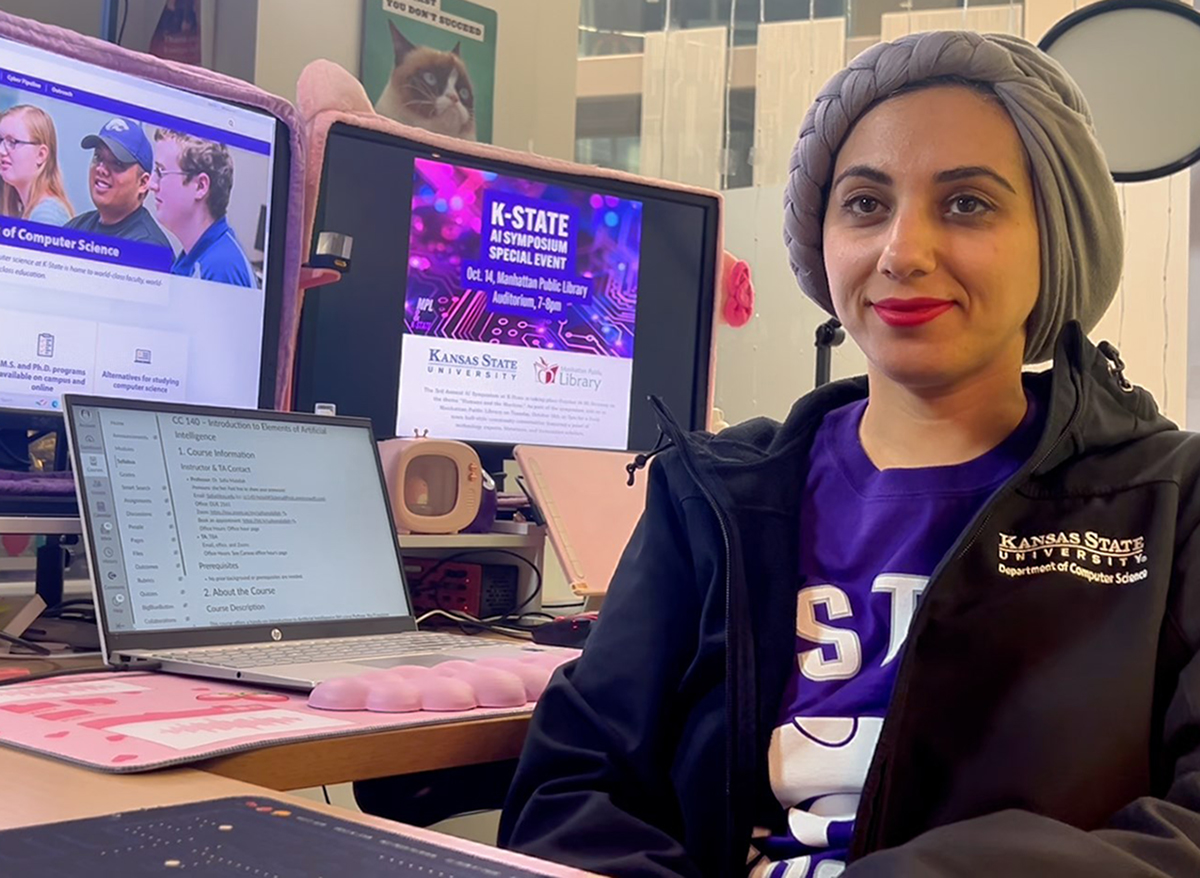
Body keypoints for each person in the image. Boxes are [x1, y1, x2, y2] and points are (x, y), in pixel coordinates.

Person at [499, 31, 1200, 878]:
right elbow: (573, 789)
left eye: (968, 204)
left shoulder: (1172, 504)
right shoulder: (715, 497)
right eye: (865, 204)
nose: (903, 253)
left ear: (1056, 239)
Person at [150, 128, 255, 287]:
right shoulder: (194, 257)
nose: (152, 184)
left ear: (200, 186)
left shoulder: (220, 269)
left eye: (161, 171)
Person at [65, 116, 172, 249]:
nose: (101, 169)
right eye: (98, 157)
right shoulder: (76, 227)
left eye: (117, 163)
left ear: (143, 183)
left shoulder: (147, 246)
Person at [0, 104, 73, 225]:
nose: (1, 151)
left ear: (41, 155)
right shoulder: (27, 210)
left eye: (12, 142)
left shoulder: (47, 216)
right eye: (0, 140)